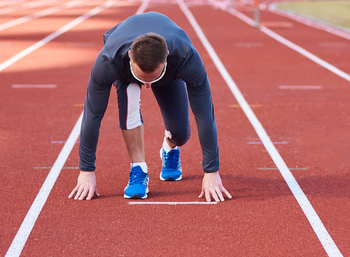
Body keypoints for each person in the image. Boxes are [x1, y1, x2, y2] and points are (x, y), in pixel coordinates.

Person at [68, 12, 232, 202]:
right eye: (141, 78)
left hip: (168, 74)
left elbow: (204, 113)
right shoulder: (109, 60)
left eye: (152, 78)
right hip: (124, 73)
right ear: (130, 56)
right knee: (129, 102)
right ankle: (138, 169)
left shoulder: (185, 57)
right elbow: (93, 114)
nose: (147, 85)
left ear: (167, 58)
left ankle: (169, 148)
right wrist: (86, 170)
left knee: (181, 133)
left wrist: (211, 171)